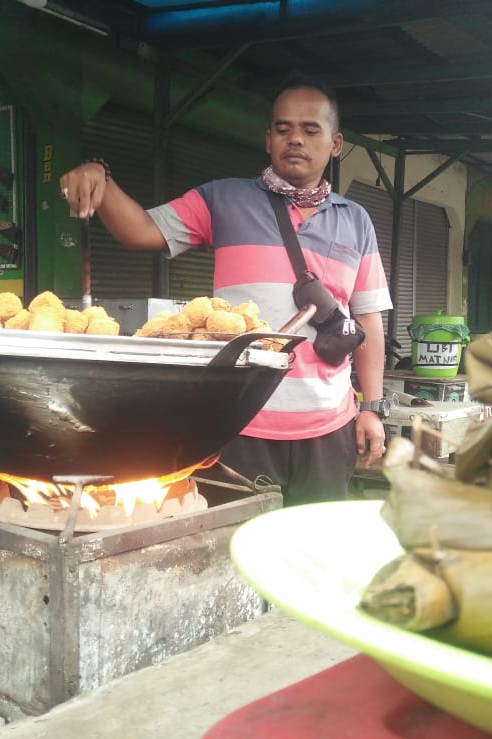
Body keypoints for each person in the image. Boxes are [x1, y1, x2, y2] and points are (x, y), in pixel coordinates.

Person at [59, 75, 392, 506]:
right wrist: (99, 177)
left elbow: (367, 320)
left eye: (311, 130)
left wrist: (373, 407)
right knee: (230, 559)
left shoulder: (356, 220)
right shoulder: (223, 200)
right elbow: (140, 230)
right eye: (283, 128)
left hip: (329, 426)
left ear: (334, 143)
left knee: (312, 558)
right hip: (237, 422)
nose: (296, 139)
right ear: (268, 139)